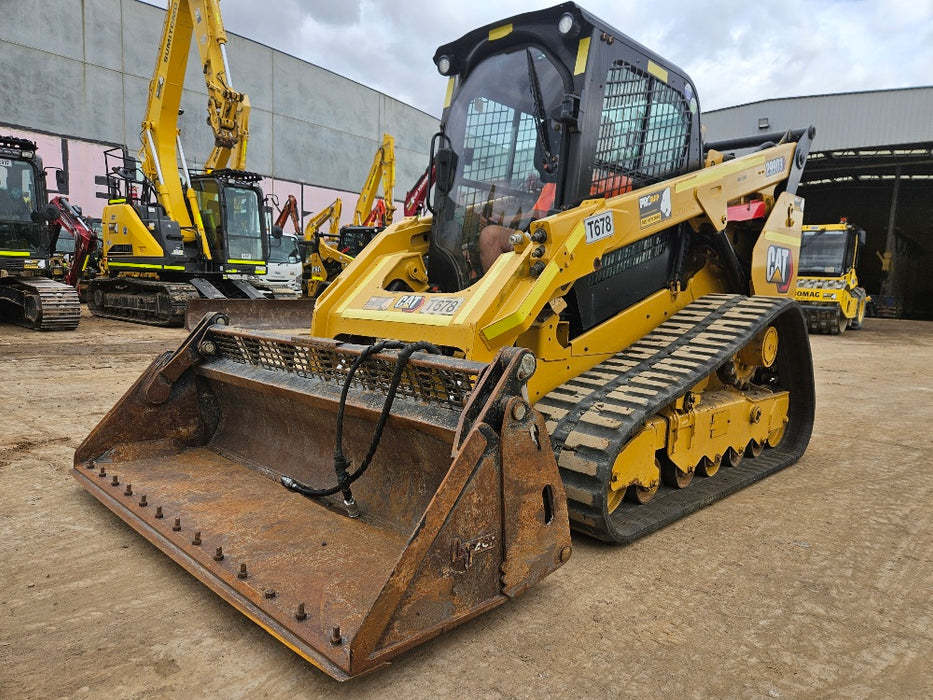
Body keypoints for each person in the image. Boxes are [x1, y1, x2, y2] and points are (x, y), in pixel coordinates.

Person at [477, 181, 555, 273]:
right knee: (490, 236)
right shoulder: (551, 184)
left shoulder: (562, 183)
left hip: (550, 239)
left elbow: (540, 216)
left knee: (489, 235)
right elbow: (537, 213)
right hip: (534, 232)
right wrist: (503, 219)